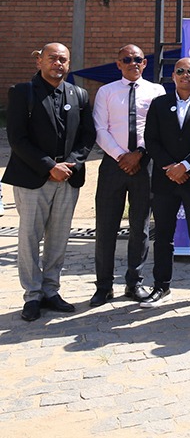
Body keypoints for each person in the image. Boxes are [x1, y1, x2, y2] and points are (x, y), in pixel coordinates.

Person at [4, 44, 96, 322]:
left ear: (69, 64)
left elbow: (87, 136)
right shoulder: (22, 92)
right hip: (33, 177)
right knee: (29, 238)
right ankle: (32, 295)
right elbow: (17, 138)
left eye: (63, 60)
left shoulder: (79, 94)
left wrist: (70, 164)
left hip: (68, 177)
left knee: (58, 238)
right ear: (39, 62)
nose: (58, 63)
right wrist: (49, 166)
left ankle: (51, 290)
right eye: (52, 58)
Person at [90, 44, 166, 307]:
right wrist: (121, 156)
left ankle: (135, 283)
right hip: (113, 165)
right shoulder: (106, 91)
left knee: (140, 226)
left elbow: (157, 128)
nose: (133, 63)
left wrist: (139, 154)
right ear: (118, 64)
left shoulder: (156, 91)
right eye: (127, 59)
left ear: (145, 63)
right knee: (106, 226)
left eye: (138, 59)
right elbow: (100, 128)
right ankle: (104, 286)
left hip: (144, 164)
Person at [142, 57, 190, 308]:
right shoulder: (159, 103)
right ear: (173, 75)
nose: (185, 75)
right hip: (165, 180)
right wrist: (171, 167)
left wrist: (185, 166)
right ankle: (161, 287)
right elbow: (151, 139)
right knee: (163, 236)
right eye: (180, 71)